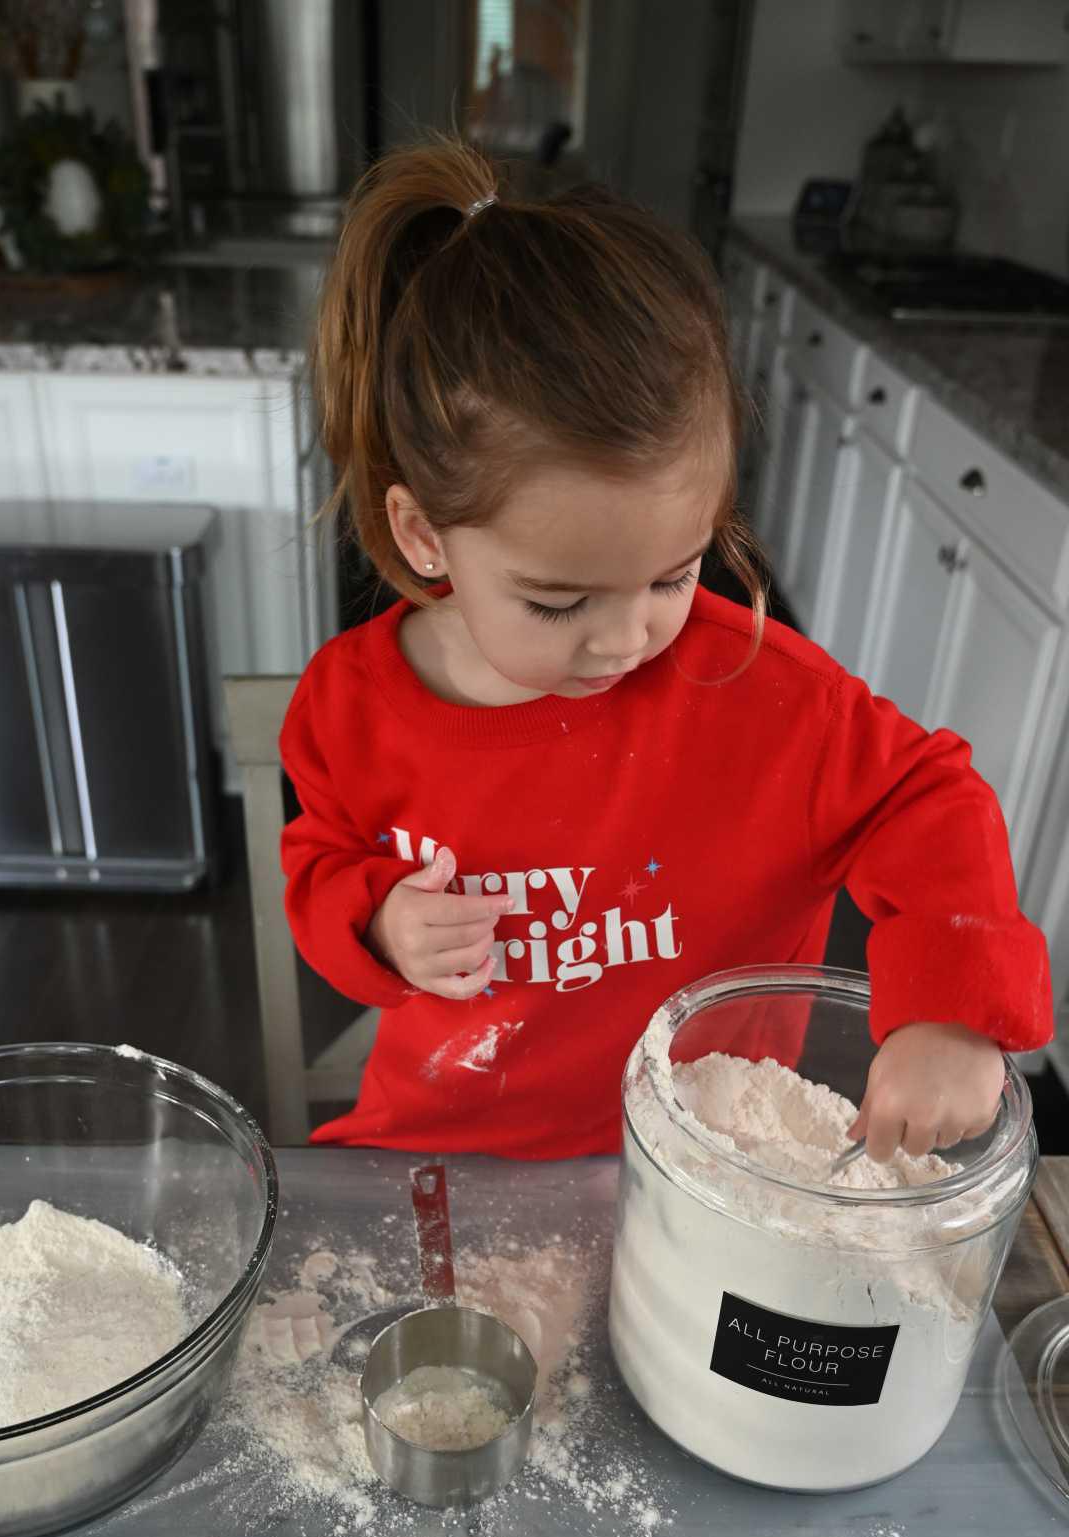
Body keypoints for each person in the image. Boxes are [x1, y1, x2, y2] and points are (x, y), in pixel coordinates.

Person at [280, 136, 1052, 1162]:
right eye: (558, 601)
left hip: (708, 1158)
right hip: (449, 1148)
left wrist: (952, 1013)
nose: (626, 637)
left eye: (673, 575)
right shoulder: (352, 706)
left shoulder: (761, 694)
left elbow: (927, 796)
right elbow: (320, 863)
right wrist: (377, 922)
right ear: (426, 535)